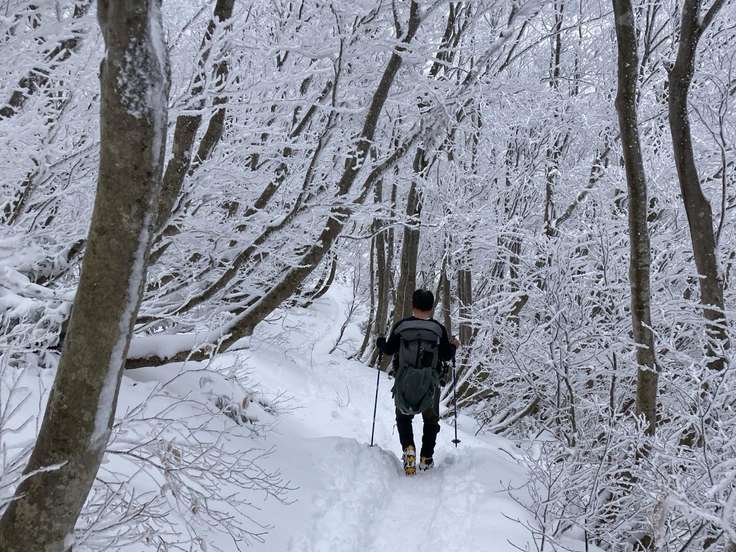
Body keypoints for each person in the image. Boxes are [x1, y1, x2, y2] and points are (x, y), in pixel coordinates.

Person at [377, 289, 459, 475]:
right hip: (430, 382)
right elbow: (446, 355)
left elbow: (388, 350)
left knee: (403, 417)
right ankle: (426, 458)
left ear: (413, 305)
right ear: (431, 308)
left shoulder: (401, 326)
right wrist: (454, 346)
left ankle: (408, 449)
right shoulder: (438, 329)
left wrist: (380, 342)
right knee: (431, 420)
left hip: (404, 381)